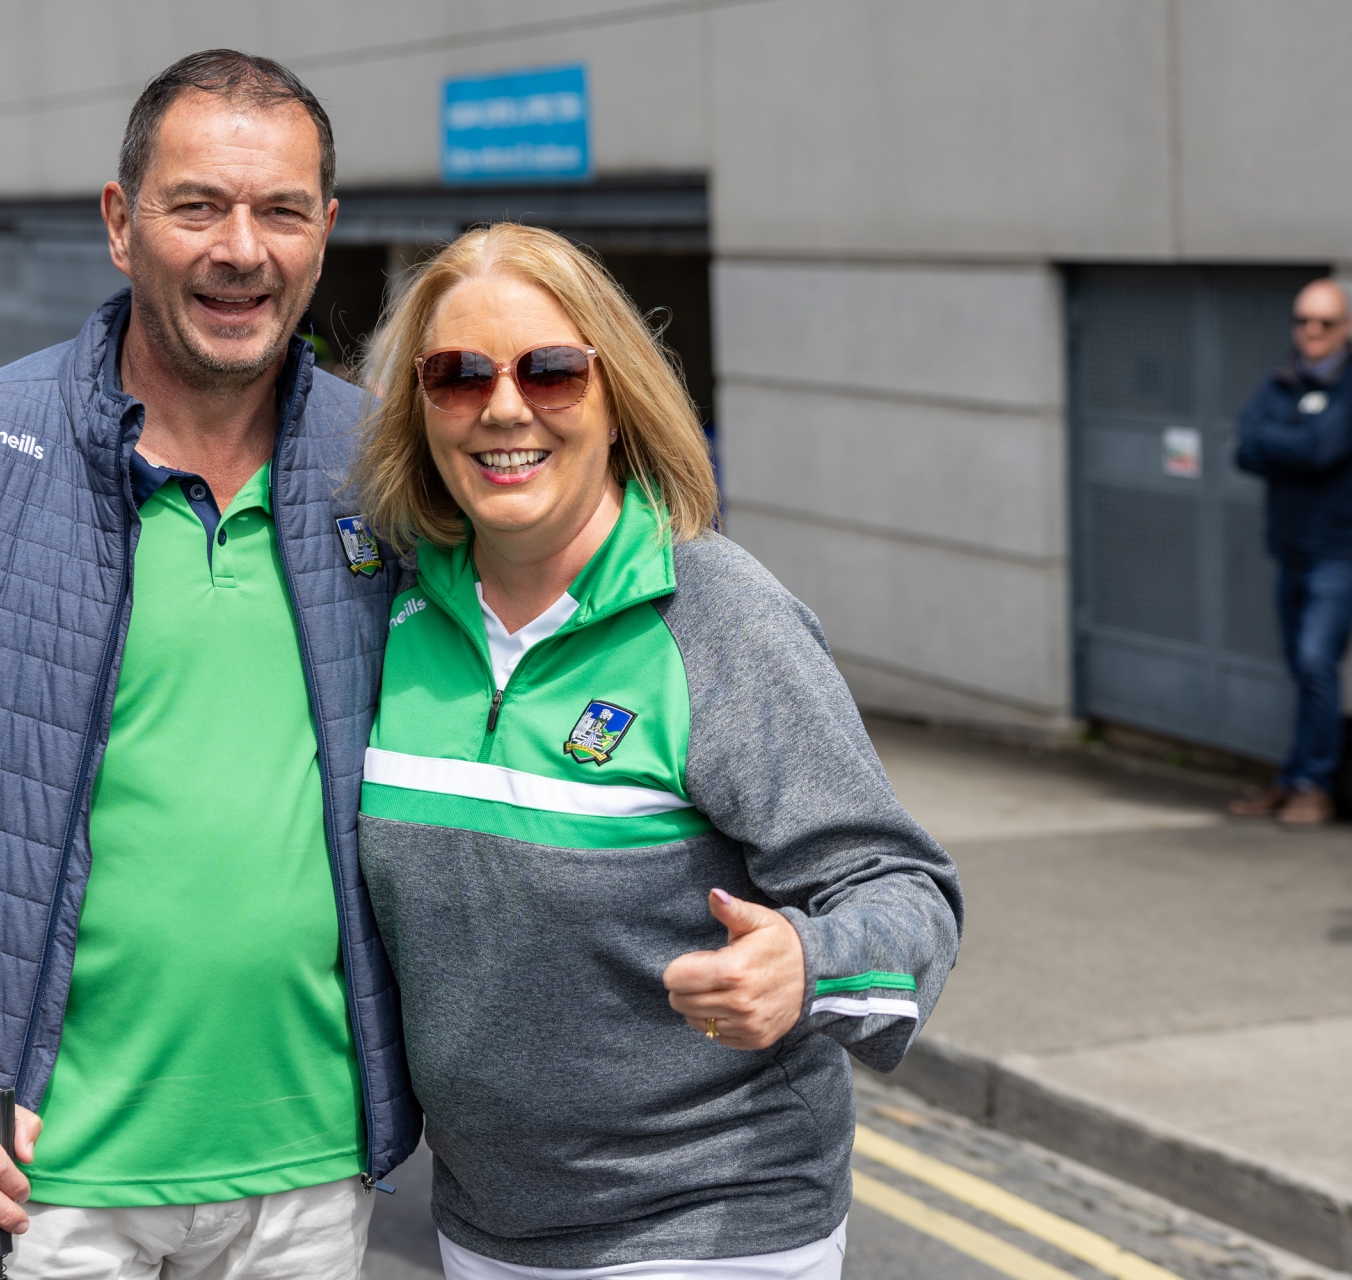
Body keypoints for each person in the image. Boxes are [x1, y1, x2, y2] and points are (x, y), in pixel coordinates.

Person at [0, 49, 417, 1277]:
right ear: (121, 224)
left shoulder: (386, 462)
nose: (242, 248)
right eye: (197, 205)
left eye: (281, 209)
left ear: (325, 233)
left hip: (316, 1175)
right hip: (46, 1187)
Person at [349, 224, 964, 1280]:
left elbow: (909, 892)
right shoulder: (390, 613)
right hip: (487, 1224)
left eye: (550, 370)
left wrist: (804, 964)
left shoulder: (718, 614)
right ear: (418, 409)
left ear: (616, 396)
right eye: (456, 376)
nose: (504, 407)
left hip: (713, 1224)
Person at [1233, 278, 1352, 825]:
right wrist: (1297, 446)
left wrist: (1287, 445)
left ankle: (1315, 785)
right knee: (1300, 668)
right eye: (1303, 320)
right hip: (1291, 550)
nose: (1311, 331)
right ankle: (1295, 774)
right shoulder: (1282, 378)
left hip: (1338, 552)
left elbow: (1324, 447)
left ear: (1345, 328)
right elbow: (1244, 444)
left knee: (1315, 663)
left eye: (1324, 322)